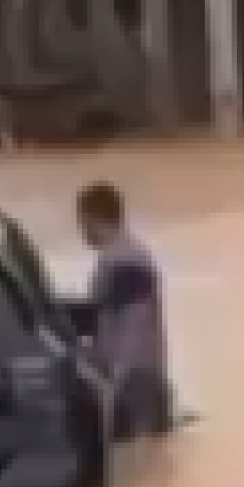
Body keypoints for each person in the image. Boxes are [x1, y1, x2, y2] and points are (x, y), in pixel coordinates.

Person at [74, 180, 176, 441]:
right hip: (141, 377)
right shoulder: (124, 255)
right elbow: (110, 321)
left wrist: (115, 386)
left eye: (82, 222)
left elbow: (135, 325)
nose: (81, 231)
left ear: (96, 218)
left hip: (133, 382)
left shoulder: (122, 261)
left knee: (136, 467)